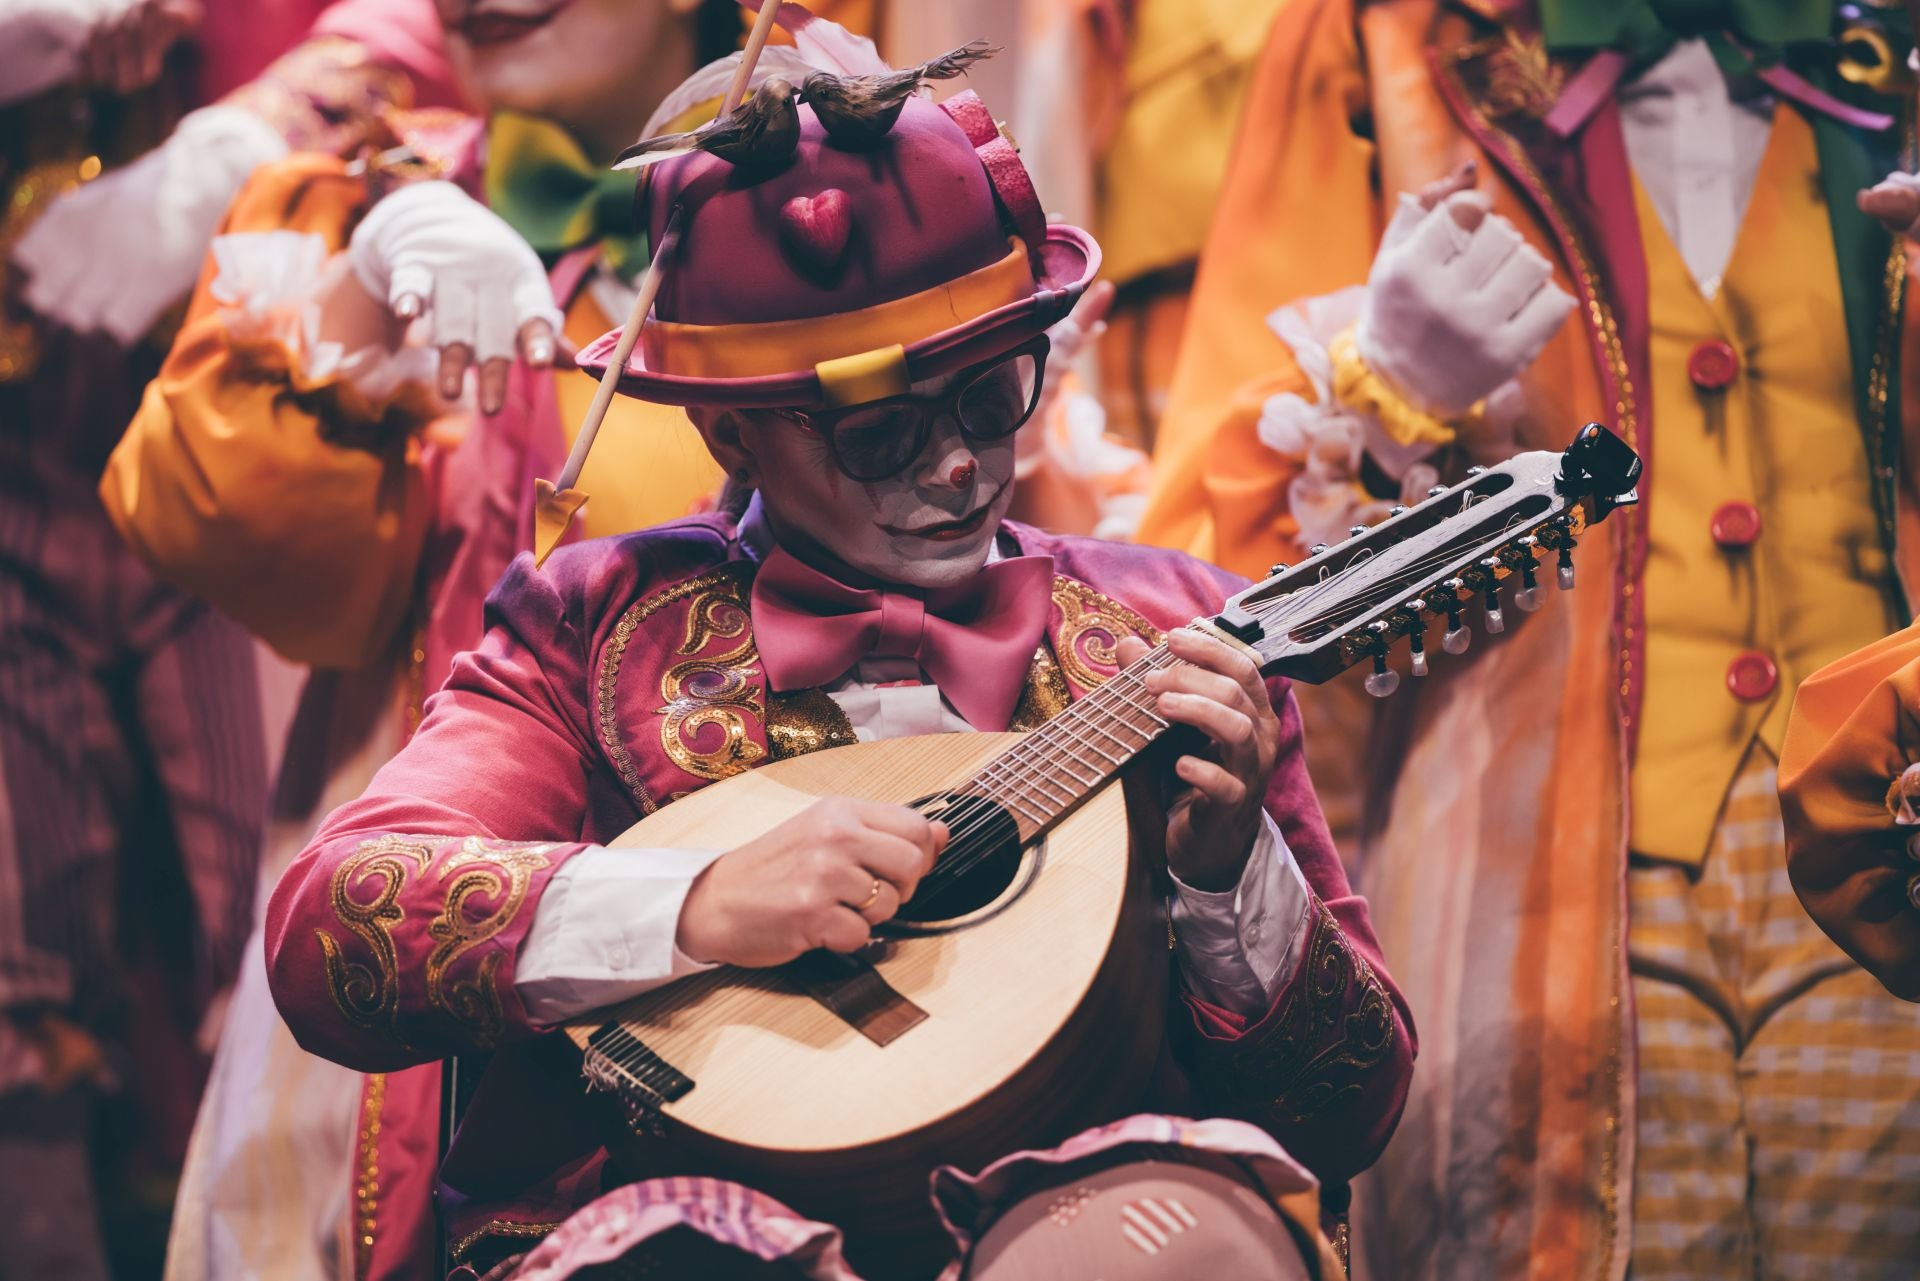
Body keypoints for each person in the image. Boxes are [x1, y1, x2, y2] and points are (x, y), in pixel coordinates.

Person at [256, 61, 1414, 1279]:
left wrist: (1233, 882)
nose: (962, 469)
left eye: (989, 396)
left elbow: (1348, 1112)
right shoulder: (589, 624)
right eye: (881, 433)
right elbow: (333, 927)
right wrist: (694, 904)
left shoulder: (1177, 625)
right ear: (727, 431)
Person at [1135, 2, 1920, 1278]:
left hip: (1883, 854)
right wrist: (1381, 379)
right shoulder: (1387, 55)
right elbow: (1194, 580)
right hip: (1540, 874)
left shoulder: (1890, 56)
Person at [0, 3, 455, 1277]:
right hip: (29, 412)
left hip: (263, 392)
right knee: (16, 936)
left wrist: (258, 125)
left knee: (283, 903)